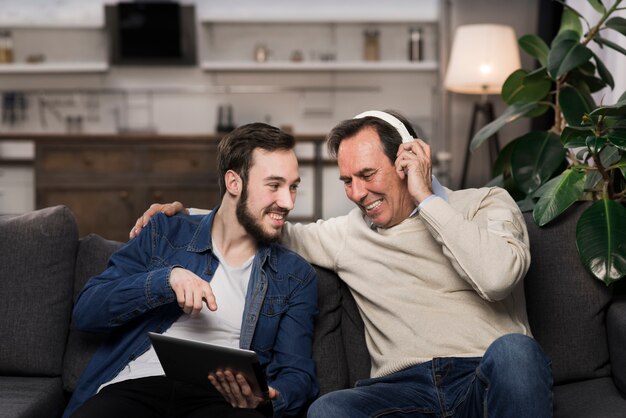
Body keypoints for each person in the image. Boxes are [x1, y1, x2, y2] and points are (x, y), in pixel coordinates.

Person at [131, 110, 553, 417]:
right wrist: (189, 216)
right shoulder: (349, 233)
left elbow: (498, 277)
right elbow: (267, 224)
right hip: (403, 393)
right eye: (347, 181)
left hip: (483, 378)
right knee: (330, 410)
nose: (356, 192)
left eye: (367, 175)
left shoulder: (485, 204)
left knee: (517, 352)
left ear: (408, 160)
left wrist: (425, 199)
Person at [64, 123, 319, 418]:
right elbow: (87, 311)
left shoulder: (294, 276)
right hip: (137, 385)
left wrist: (271, 397)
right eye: (274, 185)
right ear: (234, 183)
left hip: (222, 403)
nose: (288, 202)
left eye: (293, 187)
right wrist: (166, 280)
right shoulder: (164, 232)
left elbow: (298, 375)